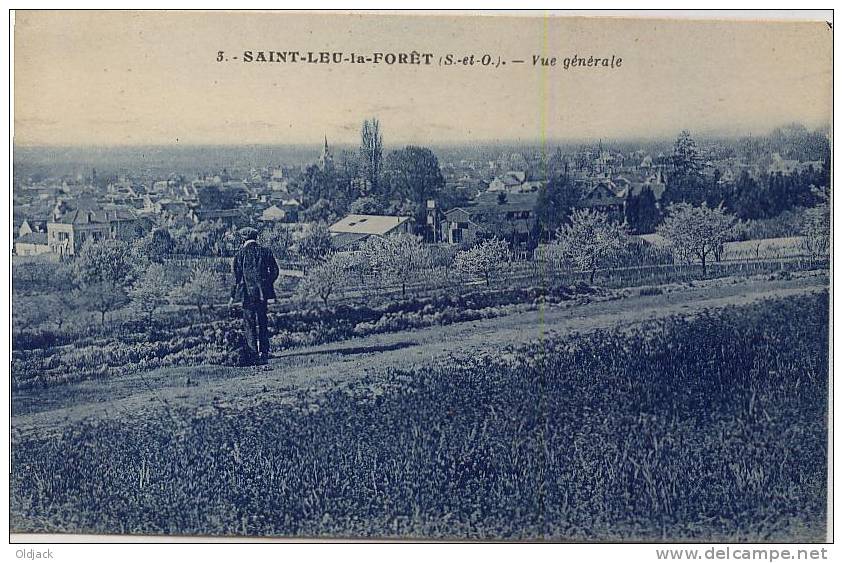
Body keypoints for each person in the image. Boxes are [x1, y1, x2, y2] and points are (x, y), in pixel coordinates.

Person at [230, 227, 279, 365]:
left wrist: (233, 296)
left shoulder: (240, 255)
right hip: (262, 295)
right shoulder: (265, 252)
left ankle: (253, 353)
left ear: (243, 239)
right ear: (256, 238)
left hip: (247, 295)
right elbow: (275, 271)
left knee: (249, 324)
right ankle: (264, 352)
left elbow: (236, 278)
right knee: (263, 322)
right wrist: (266, 283)